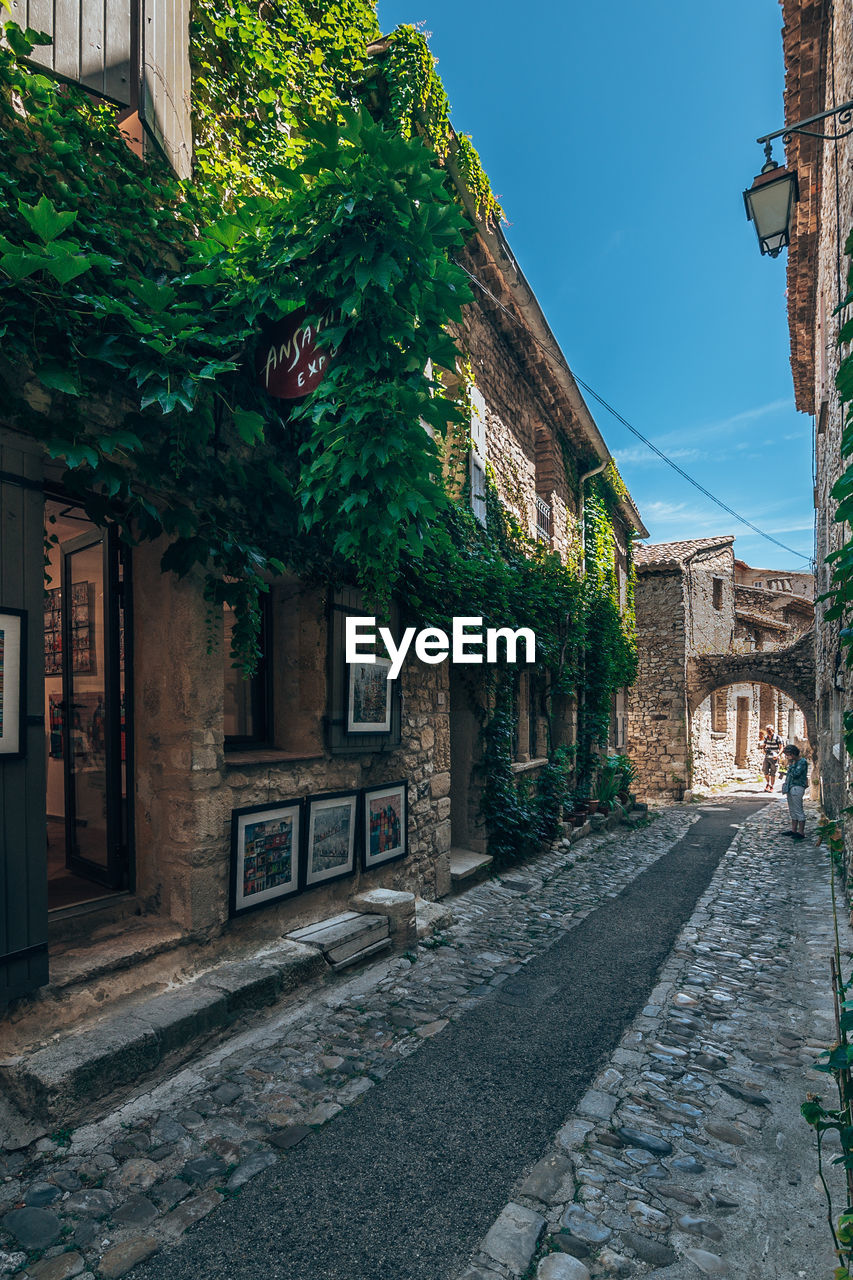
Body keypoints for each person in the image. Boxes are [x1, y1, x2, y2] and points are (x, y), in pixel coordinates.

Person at [781, 744, 808, 839]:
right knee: (792, 809)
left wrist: (790, 768)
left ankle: (801, 832)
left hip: (797, 787)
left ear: (792, 754)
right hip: (790, 786)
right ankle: (793, 830)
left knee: (798, 809)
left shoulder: (802, 762)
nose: (787, 757)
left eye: (788, 754)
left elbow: (796, 774)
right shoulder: (793, 762)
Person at [760, 724, 784, 791]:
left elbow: (781, 748)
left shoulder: (778, 738)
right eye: (767, 730)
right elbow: (764, 746)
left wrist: (778, 755)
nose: (768, 731)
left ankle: (771, 786)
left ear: (772, 730)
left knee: (773, 773)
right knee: (765, 771)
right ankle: (768, 783)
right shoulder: (766, 737)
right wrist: (763, 750)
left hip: (774, 757)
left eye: (769, 730)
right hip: (767, 757)